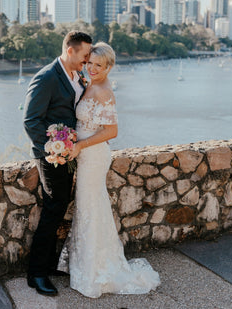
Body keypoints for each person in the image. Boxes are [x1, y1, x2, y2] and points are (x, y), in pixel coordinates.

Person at [57, 42, 161, 298]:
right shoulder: (89, 81)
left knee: (90, 206)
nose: (91, 68)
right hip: (83, 154)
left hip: (92, 156)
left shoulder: (104, 91)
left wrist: (80, 144)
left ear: (109, 67)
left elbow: (112, 131)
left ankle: (96, 271)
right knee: (87, 207)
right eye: (89, 63)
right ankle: (85, 265)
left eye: (98, 65)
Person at [23, 31, 92, 296]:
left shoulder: (77, 75)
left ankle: (49, 265)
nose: (88, 60)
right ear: (71, 50)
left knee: (60, 205)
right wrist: (52, 150)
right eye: (85, 55)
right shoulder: (47, 77)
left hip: (69, 154)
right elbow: (31, 120)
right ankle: (36, 274)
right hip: (50, 156)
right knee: (54, 207)